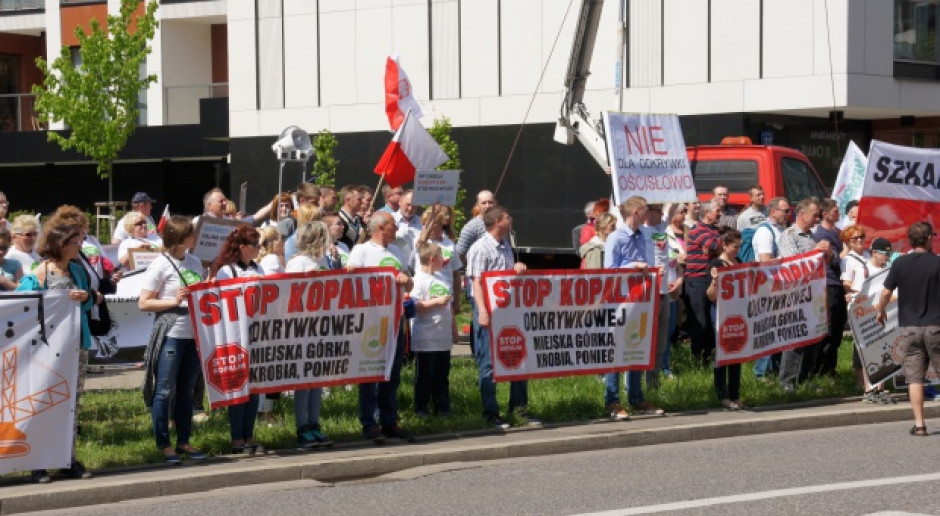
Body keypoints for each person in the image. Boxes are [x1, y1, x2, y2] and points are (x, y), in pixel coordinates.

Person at [16, 224, 96, 483]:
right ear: (61, 244)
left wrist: (86, 297)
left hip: (76, 344)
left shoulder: (77, 270)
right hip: (45, 351)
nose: (80, 246)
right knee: (42, 404)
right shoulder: (38, 274)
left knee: (71, 405)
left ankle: (67, 458)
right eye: (76, 242)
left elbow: (92, 300)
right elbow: (21, 305)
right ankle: (38, 462)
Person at [139, 215, 208, 465]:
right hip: (171, 332)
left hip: (193, 333)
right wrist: (173, 300)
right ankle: (164, 444)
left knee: (187, 390)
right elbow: (144, 302)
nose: (195, 237)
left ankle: (184, 441)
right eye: (191, 233)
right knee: (165, 390)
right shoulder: (160, 265)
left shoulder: (195, 261)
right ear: (179, 238)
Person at [347, 211, 414, 442]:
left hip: (395, 319)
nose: (397, 229)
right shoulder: (362, 250)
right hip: (371, 320)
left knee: (392, 373)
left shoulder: (396, 251)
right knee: (370, 372)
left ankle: (389, 420)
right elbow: (352, 279)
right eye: (393, 225)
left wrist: (406, 280)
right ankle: (369, 423)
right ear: (381, 227)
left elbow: (410, 282)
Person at [467, 206, 535, 428]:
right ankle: (490, 413)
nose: (511, 219)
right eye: (507, 217)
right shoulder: (480, 248)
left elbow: (506, 277)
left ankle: (519, 409)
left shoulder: (506, 245)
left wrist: (517, 267)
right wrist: (483, 311)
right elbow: (476, 281)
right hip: (489, 310)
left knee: (518, 357)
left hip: (509, 311)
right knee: (488, 364)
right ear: (497, 222)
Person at [876, 222, 940, 437]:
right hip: (936, 326)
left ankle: (920, 424)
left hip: (910, 327)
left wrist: (881, 311)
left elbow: (886, 293)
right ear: (929, 238)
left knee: (915, 378)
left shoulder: (900, 263)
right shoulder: (937, 263)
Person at [603, 196, 663, 417]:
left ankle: (636, 398)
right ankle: (612, 401)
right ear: (636, 213)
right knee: (616, 351)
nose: (649, 214)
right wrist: (634, 266)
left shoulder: (643, 235)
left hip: (640, 301)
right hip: (619, 302)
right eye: (646, 210)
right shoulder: (615, 238)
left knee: (636, 347)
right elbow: (609, 270)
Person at [209, 225, 265, 455]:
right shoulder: (227, 271)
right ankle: (236, 438)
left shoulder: (258, 268)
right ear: (242, 247)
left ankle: (249, 434)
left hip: (256, 333)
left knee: (254, 388)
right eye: (255, 245)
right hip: (235, 336)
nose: (258, 249)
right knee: (238, 388)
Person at [777, 197, 830, 392]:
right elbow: (792, 263)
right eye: (815, 215)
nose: (817, 219)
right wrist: (815, 252)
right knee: (794, 339)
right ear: (802, 215)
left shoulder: (811, 237)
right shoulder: (789, 235)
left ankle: (805, 379)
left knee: (812, 338)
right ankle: (787, 382)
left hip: (812, 295)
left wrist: (827, 253)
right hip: (794, 295)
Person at [410, 242, 456, 416]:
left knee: (442, 375)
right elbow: (415, 306)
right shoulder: (418, 279)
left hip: (442, 336)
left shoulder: (442, 278)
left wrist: (453, 328)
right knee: (425, 375)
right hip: (426, 336)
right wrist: (435, 302)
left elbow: (449, 305)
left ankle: (442, 407)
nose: (444, 260)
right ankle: (421, 407)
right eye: (441, 256)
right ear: (432, 259)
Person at [846, 237, 891, 400]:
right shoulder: (863, 270)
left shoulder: (889, 269)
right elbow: (857, 294)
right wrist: (852, 297)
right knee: (869, 352)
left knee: (884, 351)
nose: (888, 256)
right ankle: (868, 389)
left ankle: (881, 388)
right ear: (874, 253)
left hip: (885, 315)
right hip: (867, 317)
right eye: (885, 253)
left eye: (890, 252)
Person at [642, 204, 681, 390]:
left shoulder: (660, 228)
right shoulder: (640, 231)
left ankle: (653, 384)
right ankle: (634, 385)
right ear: (648, 212)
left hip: (664, 293)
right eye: (658, 210)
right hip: (648, 294)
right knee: (644, 341)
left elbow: (672, 206)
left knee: (660, 343)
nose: (662, 214)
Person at [751, 196, 790, 380]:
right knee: (767, 330)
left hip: (779, 286)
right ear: (773, 211)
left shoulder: (780, 229)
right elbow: (765, 261)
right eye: (785, 211)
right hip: (766, 286)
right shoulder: (765, 232)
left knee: (779, 329)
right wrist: (788, 261)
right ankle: (761, 374)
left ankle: (774, 370)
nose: (788, 214)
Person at [706, 229, 746, 410]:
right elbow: (710, 295)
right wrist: (715, 281)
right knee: (723, 355)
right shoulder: (716, 263)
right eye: (734, 247)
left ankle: (735, 394)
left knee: (737, 353)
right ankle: (722, 395)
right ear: (724, 245)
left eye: (740, 246)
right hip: (720, 314)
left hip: (737, 313)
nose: (737, 250)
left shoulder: (738, 262)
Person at [685, 200, 722, 366]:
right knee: (700, 320)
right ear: (706, 213)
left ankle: (709, 356)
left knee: (712, 319)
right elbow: (714, 244)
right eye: (716, 211)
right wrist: (717, 245)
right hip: (697, 280)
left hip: (710, 278)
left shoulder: (714, 230)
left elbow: (720, 244)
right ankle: (697, 359)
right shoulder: (698, 230)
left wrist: (717, 245)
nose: (719, 213)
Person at [813, 198, 847, 377]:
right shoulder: (821, 235)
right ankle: (822, 369)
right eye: (834, 211)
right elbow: (833, 260)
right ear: (824, 214)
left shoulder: (837, 233)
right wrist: (846, 250)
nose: (838, 213)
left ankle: (830, 368)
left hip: (840, 283)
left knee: (838, 329)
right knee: (829, 329)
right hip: (829, 284)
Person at [393, 190, 422, 274]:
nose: (410, 209)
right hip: (395, 268)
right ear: (400, 202)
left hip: (416, 270)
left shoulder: (422, 223)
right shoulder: (391, 220)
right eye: (408, 204)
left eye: (414, 206)